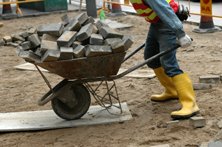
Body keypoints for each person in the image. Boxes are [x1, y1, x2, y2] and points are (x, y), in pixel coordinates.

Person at [129, 0, 199, 119]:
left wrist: (180, 33)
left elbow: (164, 9)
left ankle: (190, 104)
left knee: (169, 64)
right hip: (156, 23)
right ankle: (172, 91)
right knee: (151, 58)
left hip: (168, 22)